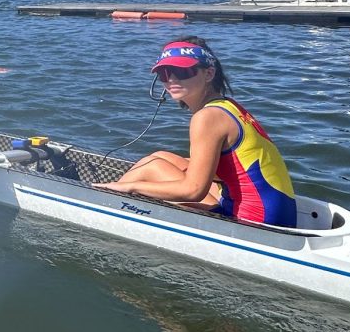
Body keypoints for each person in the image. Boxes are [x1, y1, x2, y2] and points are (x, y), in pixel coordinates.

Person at [95, 36, 297, 227]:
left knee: (152, 167)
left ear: (209, 74)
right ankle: (113, 196)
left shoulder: (207, 117)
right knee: (161, 156)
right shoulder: (228, 106)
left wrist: (131, 187)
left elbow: (194, 192)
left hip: (255, 223)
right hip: (279, 215)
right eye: (164, 73)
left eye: (182, 72)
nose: (171, 80)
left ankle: (105, 206)